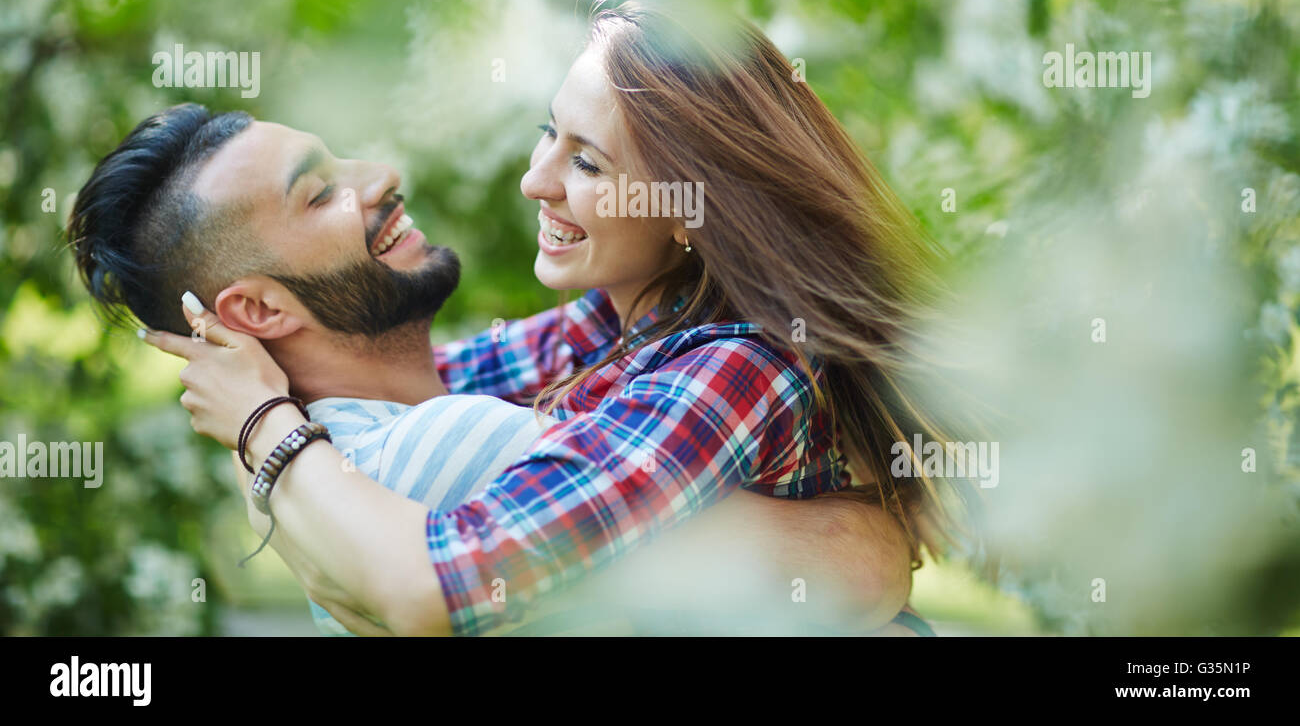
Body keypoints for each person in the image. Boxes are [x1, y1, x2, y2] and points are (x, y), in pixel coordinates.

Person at [68, 99, 919, 635]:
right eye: (322, 193)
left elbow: (585, 338)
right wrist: (861, 532)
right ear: (259, 313)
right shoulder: (440, 446)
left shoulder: (366, 430)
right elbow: (856, 566)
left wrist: (259, 423)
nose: (382, 177)